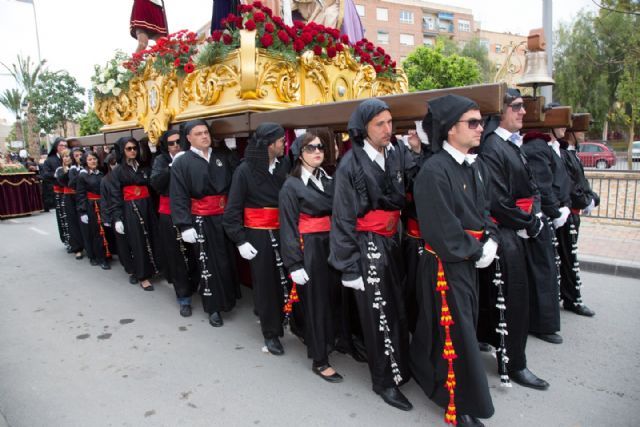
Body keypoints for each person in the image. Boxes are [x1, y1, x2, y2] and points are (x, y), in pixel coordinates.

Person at [411, 95, 497, 427]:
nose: (480, 128)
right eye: (472, 123)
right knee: (454, 334)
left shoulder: (475, 166)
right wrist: (477, 251)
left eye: (482, 122)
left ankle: (426, 371)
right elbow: (441, 230)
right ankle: (457, 402)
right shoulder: (434, 171)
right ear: (450, 130)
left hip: (469, 261)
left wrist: (489, 239)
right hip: (446, 265)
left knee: (462, 328)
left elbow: (484, 212)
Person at [329, 98, 417, 411]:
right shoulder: (350, 164)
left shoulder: (395, 153)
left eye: (390, 122)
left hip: (392, 241)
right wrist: (350, 267)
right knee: (380, 314)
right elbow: (342, 218)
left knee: (398, 309)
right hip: (366, 244)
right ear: (363, 127)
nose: (387, 129)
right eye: (380, 123)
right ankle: (384, 381)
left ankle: (400, 367)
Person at [477, 88, 549, 391]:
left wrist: (534, 215)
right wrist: (528, 222)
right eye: (516, 107)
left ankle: (508, 353)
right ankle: (514, 362)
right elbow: (498, 201)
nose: (522, 112)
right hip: (506, 233)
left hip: (514, 228)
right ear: (501, 111)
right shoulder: (493, 146)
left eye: (523, 107)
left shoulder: (508, 143)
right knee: (512, 302)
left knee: (509, 299)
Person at [279, 132, 343, 382]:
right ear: (299, 153)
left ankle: (333, 340)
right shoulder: (291, 186)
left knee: (333, 297)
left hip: (331, 244)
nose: (317, 151)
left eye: (320, 147)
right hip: (310, 248)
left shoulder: (327, 179)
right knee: (316, 302)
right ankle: (319, 359)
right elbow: (287, 226)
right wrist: (294, 262)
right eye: (310, 148)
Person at [223, 122, 290, 354]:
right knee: (265, 285)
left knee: (288, 279)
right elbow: (232, 210)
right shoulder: (244, 171)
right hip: (258, 235)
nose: (284, 144)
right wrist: (240, 240)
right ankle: (271, 333)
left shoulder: (285, 165)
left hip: (285, 232)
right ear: (269, 144)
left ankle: (289, 319)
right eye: (281, 140)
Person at [170, 120, 240, 325]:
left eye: (206, 132)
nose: (204, 136)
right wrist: (184, 225)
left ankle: (229, 298)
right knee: (207, 262)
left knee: (227, 259)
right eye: (198, 133)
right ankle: (213, 307)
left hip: (224, 217)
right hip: (201, 219)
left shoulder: (221, 157)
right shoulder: (182, 162)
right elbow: (178, 195)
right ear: (189, 138)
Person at [521, 125, 568, 345]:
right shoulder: (536, 147)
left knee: (543, 269)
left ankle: (541, 320)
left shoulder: (542, 145)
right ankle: (542, 322)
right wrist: (553, 210)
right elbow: (542, 184)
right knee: (542, 269)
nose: (564, 128)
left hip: (541, 213)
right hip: (536, 215)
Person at [150, 129, 197, 317]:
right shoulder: (161, 161)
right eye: (171, 143)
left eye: (178, 141)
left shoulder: (190, 157)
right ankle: (183, 297)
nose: (175, 145)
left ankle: (195, 285)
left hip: (191, 210)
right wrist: (172, 166)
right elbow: (156, 183)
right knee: (176, 256)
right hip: (169, 213)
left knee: (196, 253)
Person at [109, 137, 158, 290]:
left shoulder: (143, 167)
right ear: (122, 151)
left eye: (134, 148)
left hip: (147, 205)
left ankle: (155, 267)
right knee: (137, 241)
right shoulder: (117, 171)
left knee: (152, 236)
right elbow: (115, 195)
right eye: (129, 148)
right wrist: (117, 218)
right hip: (130, 208)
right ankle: (142, 275)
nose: (132, 151)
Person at [557, 131, 597, 316]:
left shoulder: (570, 153)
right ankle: (571, 298)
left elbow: (582, 182)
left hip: (573, 213)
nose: (583, 132)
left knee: (568, 257)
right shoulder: (564, 155)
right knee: (567, 258)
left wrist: (591, 197)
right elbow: (571, 187)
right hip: (567, 214)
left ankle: (568, 294)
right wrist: (584, 200)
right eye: (579, 129)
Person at [401, 127, 431, 333]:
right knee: (414, 284)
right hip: (414, 232)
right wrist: (416, 152)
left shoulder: (435, 154)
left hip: (434, 234)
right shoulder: (405, 156)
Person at [76, 151, 111, 270]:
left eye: (94, 159)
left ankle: (106, 253)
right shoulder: (82, 175)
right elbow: (80, 194)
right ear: (85, 161)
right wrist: (83, 212)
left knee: (105, 231)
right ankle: (98, 257)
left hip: (103, 204)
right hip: (91, 206)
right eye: (90, 159)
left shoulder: (101, 173)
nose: (93, 161)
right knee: (96, 232)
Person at [55, 149, 84, 260]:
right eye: (64, 156)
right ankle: (77, 248)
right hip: (69, 197)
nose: (67, 158)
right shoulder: (60, 170)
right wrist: (68, 172)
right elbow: (62, 182)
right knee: (72, 222)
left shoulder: (78, 168)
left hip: (80, 196)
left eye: (68, 156)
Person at [41, 138, 67, 242]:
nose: (63, 147)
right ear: (56, 147)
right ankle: (66, 239)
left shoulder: (69, 157)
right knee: (62, 216)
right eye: (61, 145)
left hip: (71, 191)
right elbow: (45, 175)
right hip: (59, 192)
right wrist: (57, 174)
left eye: (65, 145)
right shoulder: (50, 160)